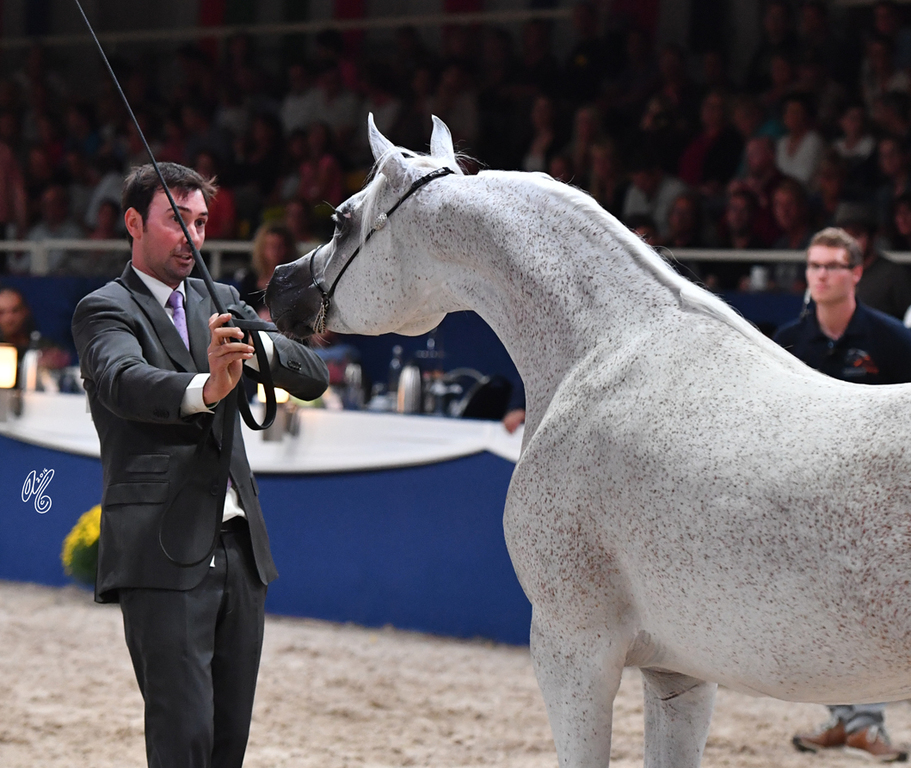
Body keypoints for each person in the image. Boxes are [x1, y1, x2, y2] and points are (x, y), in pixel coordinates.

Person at [71, 162, 329, 768]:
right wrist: (207, 389)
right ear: (133, 223)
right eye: (176, 221)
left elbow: (312, 375)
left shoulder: (224, 301)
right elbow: (122, 380)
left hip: (241, 552)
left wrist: (256, 342)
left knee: (226, 743)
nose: (193, 237)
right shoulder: (105, 308)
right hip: (162, 551)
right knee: (182, 736)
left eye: (201, 222)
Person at [776, 227, 911, 761]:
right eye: (814, 266)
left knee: (869, 614)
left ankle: (866, 723)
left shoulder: (893, 341)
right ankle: (841, 719)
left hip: (877, 506)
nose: (822, 274)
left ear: (857, 272)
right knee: (818, 613)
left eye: (833, 265)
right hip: (805, 503)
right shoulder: (786, 342)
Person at [235, 221, 299, 320]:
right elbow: (240, 314)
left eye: (280, 246)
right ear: (262, 248)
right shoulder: (250, 279)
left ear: (289, 248)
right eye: (271, 246)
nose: (275, 252)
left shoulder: (298, 280)